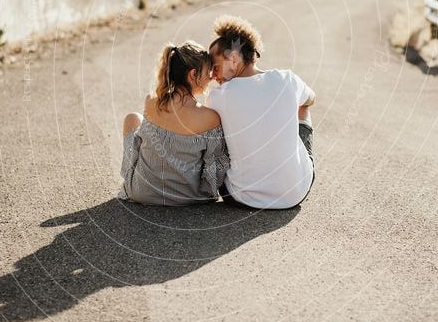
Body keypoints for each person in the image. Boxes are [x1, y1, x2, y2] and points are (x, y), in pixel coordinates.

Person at [205, 16, 316, 209]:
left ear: (233, 58)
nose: (212, 75)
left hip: (241, 198)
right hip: (295, 193)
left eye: (215, 67)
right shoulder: (287, 79)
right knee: (302, 107)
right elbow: (311, 99)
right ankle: (290, 171)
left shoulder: (217, 96)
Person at [118, 41, 230, 206]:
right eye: (208, 72)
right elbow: (215, 166)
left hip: (140, 193)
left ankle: (136, 180)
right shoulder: (209, 117)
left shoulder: (151, 101)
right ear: (193, 74)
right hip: (189, 197)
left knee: (132, 119)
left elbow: (141, 146)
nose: (211, 77)